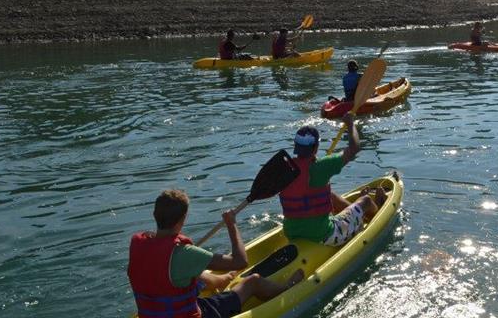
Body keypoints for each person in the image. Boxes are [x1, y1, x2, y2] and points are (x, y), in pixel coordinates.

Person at [128, 189, 303, 318]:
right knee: (253, 281)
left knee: (198, 274)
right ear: (183, 219)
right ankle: (288, 288)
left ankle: (223, 279)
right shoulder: (185, 254)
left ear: (154, 215)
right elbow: (240, 261)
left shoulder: (137, 243)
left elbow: (175, 268)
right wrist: (231, 225)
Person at [279, 115, 384, 247]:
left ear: (296, 146)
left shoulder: (285, 169)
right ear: (316, 147)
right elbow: (354, 148)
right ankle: (377, 212)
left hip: (291, 232)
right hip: (323, 235)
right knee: (366, 200)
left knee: (330, 194)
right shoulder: (323, 166)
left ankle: (355, 213)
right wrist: (351, 124)